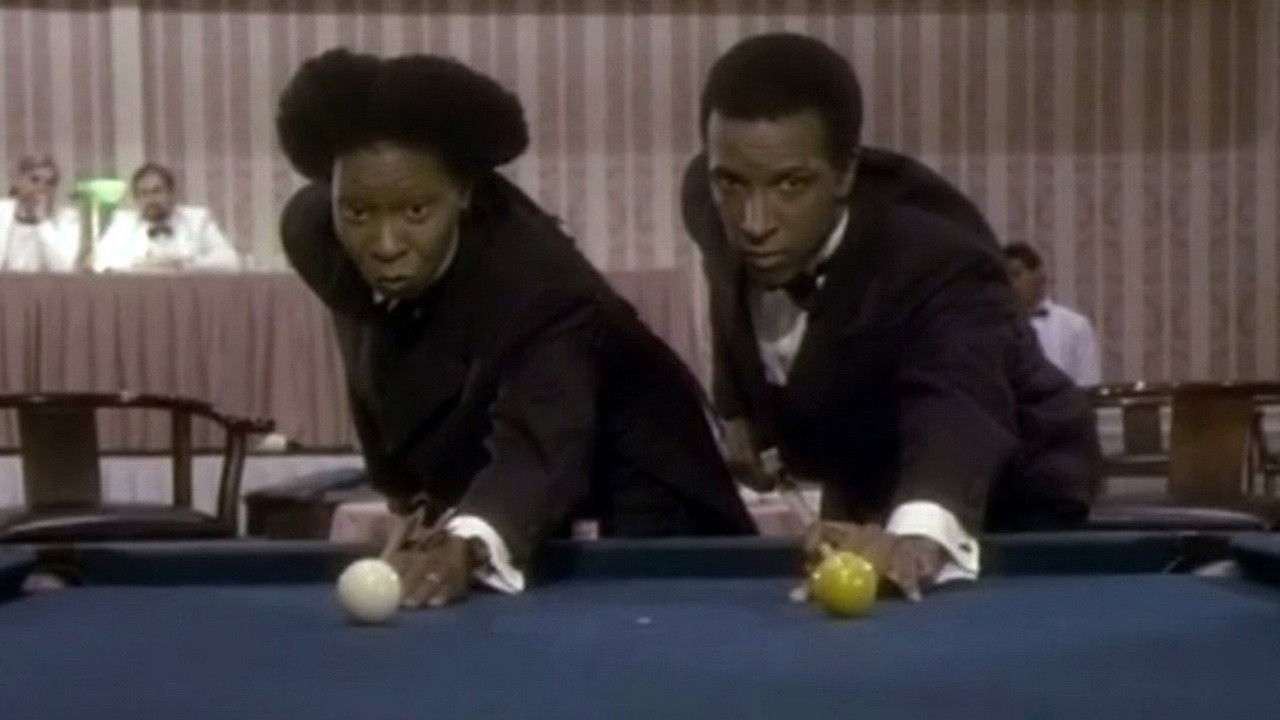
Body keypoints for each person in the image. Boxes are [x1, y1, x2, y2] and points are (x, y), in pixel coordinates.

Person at [276, 49, 754, 609]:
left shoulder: (540, 284)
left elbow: (537, 442)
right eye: (358, 213)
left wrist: (468, 542)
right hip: (511, 445)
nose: (384, 245)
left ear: (463, 193)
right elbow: (368, 333)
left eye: (415, 212)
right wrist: (404, 490)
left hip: (643, 468)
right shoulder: (314, 232)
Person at [681, 34, 1100, 600]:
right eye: (731, 183)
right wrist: (738, 408)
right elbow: (727, 286)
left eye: (791, 184)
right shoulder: (708, 201)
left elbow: (958, 401)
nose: (754, 222)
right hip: (867, 476)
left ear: (845, 173)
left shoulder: (939, 260)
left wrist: (920, 531)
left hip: (1012, 498)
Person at [94, 162, 240, 272]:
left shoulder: (198, 219)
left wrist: (187, 265)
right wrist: (141, 265)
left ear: (171, 193)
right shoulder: (123, 223)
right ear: (136, 199)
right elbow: (99, 261)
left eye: (156, 191)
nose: (150, 199)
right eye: (143, 193)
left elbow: (230, 261)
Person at [1003, 242, 1102, 387]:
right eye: (1004, 278)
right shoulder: (995, 327)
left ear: (1039, 276)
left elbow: (1088, 385)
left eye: (1016, 274)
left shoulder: (1075, 326)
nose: (1010, 284)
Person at [0, 154, 79, 272]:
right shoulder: (2, 211)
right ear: (18, 181)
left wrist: (42, 221)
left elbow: (63, 268)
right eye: (35, 180)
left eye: (50, 183)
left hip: (47, 284)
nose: (42, 187)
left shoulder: (68, 217)